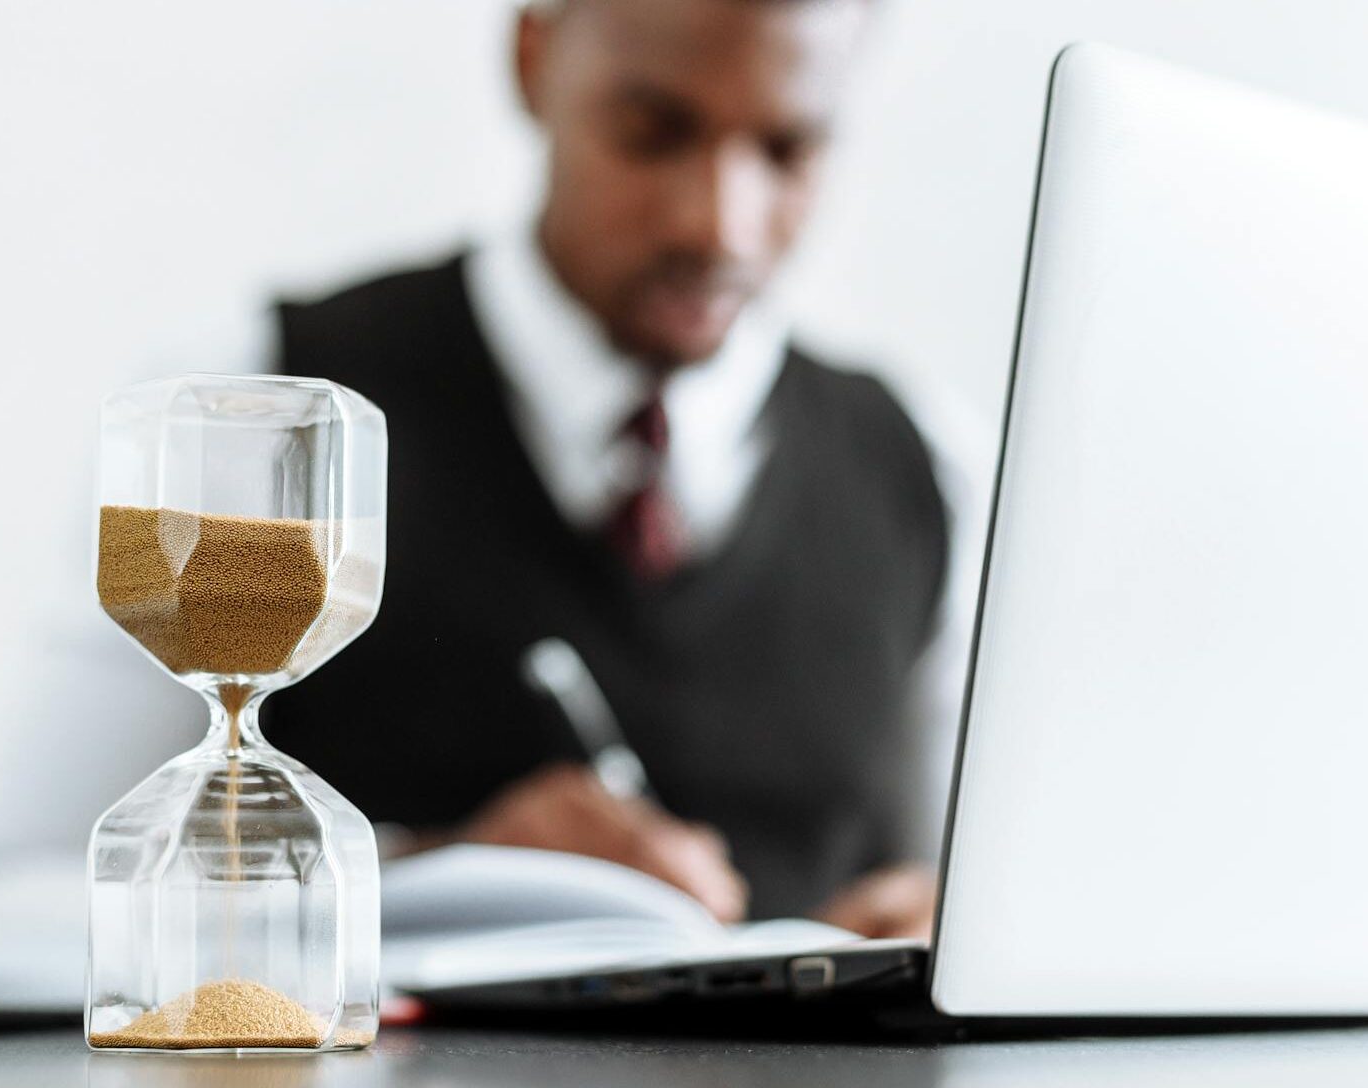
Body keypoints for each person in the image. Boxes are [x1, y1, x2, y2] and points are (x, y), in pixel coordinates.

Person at [267, 0, 974, 940]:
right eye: (652, 132)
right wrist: (429, 879)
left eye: (788, 150)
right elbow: (21, 904)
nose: (719, 226)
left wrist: (951, 924)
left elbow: (971, 888)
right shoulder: (277, 415)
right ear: (533, 59)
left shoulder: (928, 460)